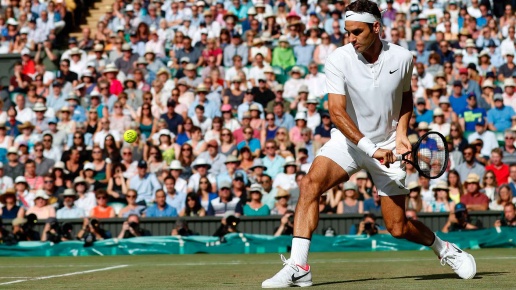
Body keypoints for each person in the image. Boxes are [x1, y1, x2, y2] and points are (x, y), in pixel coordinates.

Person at [262, 3, 476, 287]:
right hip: (350, 142)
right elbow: (337, 113)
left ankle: (444, 249)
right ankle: (299, 266)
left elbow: (406, 97)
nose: (351, 38)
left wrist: (401, 133)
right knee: (310, 184)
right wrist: (371, 149)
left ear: (376, 27)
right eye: (347, 32)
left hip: (388, 144)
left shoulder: (402, 57)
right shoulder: (338, 59)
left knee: (397, 228)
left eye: (357, 32)